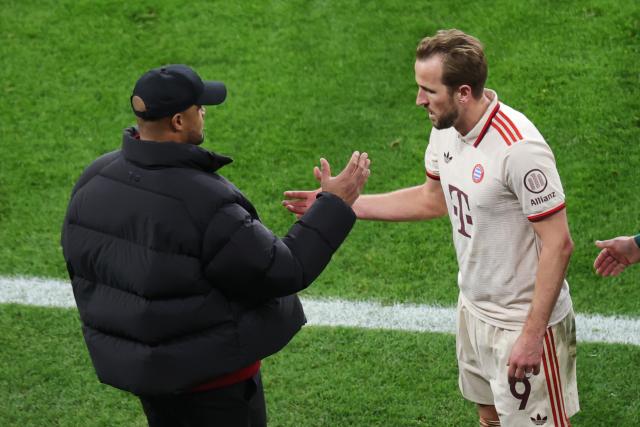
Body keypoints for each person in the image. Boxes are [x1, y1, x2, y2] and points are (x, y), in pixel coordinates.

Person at [283, 29, 578, 426]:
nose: (419, 99)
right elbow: (432, 198)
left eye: (429, 90)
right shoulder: (446, 130)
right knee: (489, 416)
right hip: (474, 308)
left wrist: (530, 335)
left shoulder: (519, 150)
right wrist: (343, 204)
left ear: (463, 92)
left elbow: (558, 244)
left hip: (521, 322)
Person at [60, 64, 370, 427]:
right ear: (178, 121)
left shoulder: (94, 176)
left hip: (150, 376)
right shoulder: (202, 200)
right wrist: (334, 204)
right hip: (214, 386)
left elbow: (83, 262)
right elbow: (284, 270)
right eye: (199, 107)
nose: (205, 112)